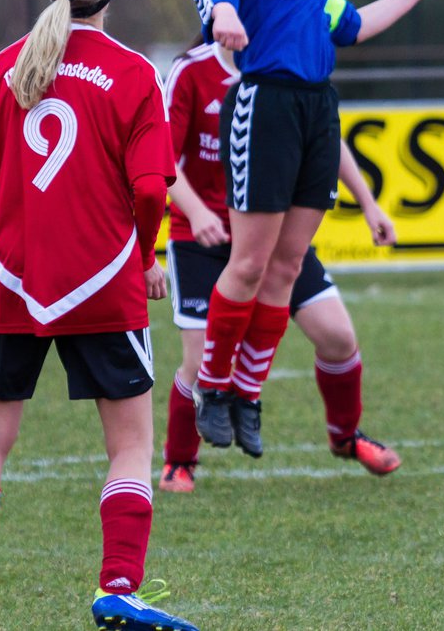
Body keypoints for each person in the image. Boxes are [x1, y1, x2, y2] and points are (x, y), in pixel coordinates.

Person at [0, 0, 197, 631]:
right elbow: (153, 188)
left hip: (14, 276)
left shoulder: (6, 67)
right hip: (102, 278)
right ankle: (118, 588)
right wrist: (147, 254)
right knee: (128, 444)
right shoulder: (131, 73)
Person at [169, 0, 444, 456]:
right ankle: (213, 389)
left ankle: (247, 394)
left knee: (286, 267)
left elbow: (348, 25)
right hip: (267, 105)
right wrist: (224, 14)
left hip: (318, 109)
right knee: (247, 265)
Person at [158, 41, 402, 492]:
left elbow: (326, 139)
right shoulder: (191, 72)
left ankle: (345, 436)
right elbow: (161, 156)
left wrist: (369, 205)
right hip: (203, 239)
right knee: (198, 360)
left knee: (338, 337)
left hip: (272, 234)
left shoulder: (287, 63)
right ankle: (179, 461)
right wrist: (195, 212)